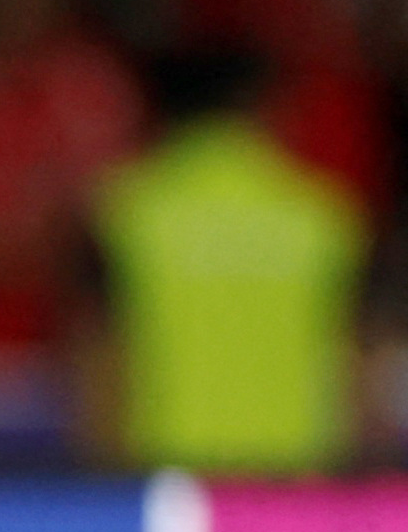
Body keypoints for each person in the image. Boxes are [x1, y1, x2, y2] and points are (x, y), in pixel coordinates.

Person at [87, 41, 369, 476]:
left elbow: (100, 361)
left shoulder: (121, 211)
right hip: (302, 475)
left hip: (168, 479)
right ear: (263, 107)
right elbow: (358, 365)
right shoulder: (325, 215)